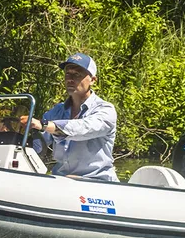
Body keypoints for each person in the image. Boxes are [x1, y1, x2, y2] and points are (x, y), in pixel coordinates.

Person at [20, 53, 118, 182]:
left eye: (77, 74)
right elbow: (40, 143)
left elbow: (82, 128)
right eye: (68, 74)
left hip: (97, 182)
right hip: (62, 182)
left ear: (93, 80)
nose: (70, 79)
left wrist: (44, 125)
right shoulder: (58, 110)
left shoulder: (105, 110)